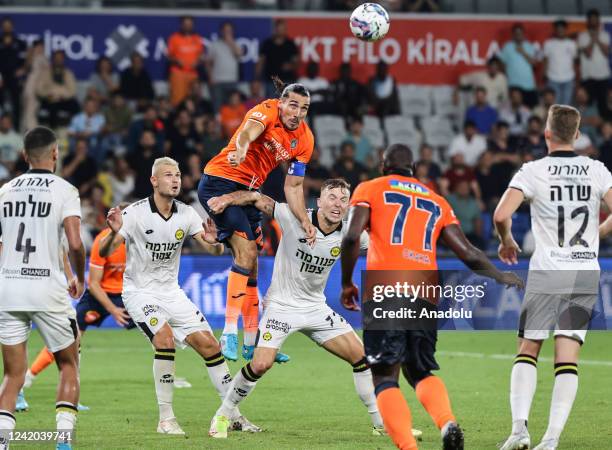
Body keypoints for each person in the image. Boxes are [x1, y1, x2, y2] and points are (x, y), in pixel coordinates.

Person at [206, 178, 421, 441]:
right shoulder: (293, 217)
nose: (337, 204)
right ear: (318, 202)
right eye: (332, 197)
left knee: (363, 359)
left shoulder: (351, 233)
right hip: (282, 306)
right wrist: (227, 199)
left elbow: (387, 242)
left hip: (316, 308)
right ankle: (223, 414)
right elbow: (255, 198)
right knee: (261, 364)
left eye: (344, 199)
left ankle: (380, 423)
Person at [340, 143, 523, 450]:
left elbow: (350, 237)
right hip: (426, 290)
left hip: (387, 287)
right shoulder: (436, 200)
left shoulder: (370, 188)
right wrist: (499, 274)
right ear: (414, 169)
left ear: (384, 165)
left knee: (385, 376)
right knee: (419, 369)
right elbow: (467, 252)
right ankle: (448, 422)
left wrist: (347, 282)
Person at [99, 157, 258, 435]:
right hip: (140, 293)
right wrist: (114, 234)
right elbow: (104, 251)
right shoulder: (134, 213)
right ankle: (166, 419)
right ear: (154, 181)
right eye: (169, 175)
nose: (175, 180)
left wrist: (214, 242)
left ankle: (233, 414)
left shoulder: (187, 213)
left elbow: (215, 251)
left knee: (210, 346)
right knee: (165, 339)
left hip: (172, 293)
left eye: (178, 175)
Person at [495, 104, 612, 450]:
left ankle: (519, 430)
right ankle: (551, 438)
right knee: (567, 357)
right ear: (577, 135)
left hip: (547, 271)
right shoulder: (597, 170)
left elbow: (502, 214)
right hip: (582, 271)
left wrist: (507, 241)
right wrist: (600, 232)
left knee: (528, 349)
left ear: (547, 133)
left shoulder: (532, 171)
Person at [198, 77, 316, 362]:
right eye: (292, 105)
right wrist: (240, 148)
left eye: (304, 108)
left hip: (249, 191)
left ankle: (252, 343)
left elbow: (294, 187)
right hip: (220, 181)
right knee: (247, 251)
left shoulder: (305, 140)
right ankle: (228, 332)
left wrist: (304, 219)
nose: (297, 113)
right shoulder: (267, 109)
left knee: (251, 267)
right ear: (282, 103)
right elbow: (248, 132)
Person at [0, 126, 86, 450]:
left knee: (12, 375)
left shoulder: (6, 190)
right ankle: (63, 442)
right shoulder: (65, 190)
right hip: (46, 287)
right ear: (55, 154)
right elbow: (75, 242)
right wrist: (77, 276)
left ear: (24, 155)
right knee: (68, 362)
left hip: (8, 290)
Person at [20, 204, 134, 411]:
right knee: (69, 338)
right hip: (97, 294)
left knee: (159, 330)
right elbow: (93, 281)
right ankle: (26, 379)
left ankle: (168, 376)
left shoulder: (140, 240)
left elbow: (63, 250)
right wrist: (112, 309)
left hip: (128, 293)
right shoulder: (103, 241)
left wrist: (71, 277)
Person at [578, 9, 611, 116]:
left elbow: (606, 52)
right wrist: (592, 39)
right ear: (588, 21)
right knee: (588, 105)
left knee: (603, 105)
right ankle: (588, 131)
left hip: (603, 76)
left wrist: (597, 38)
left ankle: (604, 130)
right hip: (588, 76)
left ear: (598, 21)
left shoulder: (605, 35)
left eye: (595, 20)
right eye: (591, 20)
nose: (593, 22)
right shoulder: (582, 36)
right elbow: (588, 53)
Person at [167, 16, 204, 107]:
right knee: (178, 100)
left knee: (195, 99)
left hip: (193, 73)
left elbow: (201, 56)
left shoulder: (197, 38)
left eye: (190, 24)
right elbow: (169, 56)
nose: (187, 26)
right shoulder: (174, 38)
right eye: (185, 24)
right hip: (178, 73)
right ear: (181, 25)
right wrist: (177, 60)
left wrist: (198, 61)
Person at [256, 19, 299, 97]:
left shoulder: (290, 44)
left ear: (285, 30)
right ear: (275, 29)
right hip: (271, 82)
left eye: (282, 29)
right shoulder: (267, 44)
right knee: (272, 106)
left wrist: (290, 66)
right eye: (278, 29)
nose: (280, 31)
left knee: (286, 106)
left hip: (287, 81)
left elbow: (296, 63)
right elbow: (260, 62)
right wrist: (257, 78)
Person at [499, 23, 538, 108]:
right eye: (516, 33)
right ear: (513, 34)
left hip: (529, 85)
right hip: (514, 84)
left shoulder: (529, 46)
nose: (518, 35)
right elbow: (502, 64)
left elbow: (534, 63)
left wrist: (523, 52)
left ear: (523, 34)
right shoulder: (507, 47)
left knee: (530, 110)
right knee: (515, 109)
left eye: (520, 33)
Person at [207, 21, 242, 112]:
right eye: (225, 30)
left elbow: (239, 54)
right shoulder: (215, 45)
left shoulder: (236, 45)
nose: (227, 33)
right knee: (218, 107)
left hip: (232, 80)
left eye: (229, 31)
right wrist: (210, 78)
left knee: (232, 107)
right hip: (217, 81)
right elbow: (209, 63)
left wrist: (230, 42)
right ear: (221, 31)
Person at [543, 19, 577, 106]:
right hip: (553, 78)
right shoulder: (548, 43)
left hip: (568, 79)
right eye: (558, 29)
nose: (560, 31)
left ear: (566, 30)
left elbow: (574, 62)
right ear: (555, 30)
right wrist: (545, 76)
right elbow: (545, 61)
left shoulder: (571, 44)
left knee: (567, 106)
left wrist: (575, 78)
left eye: (562, 29)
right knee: (555, 107)